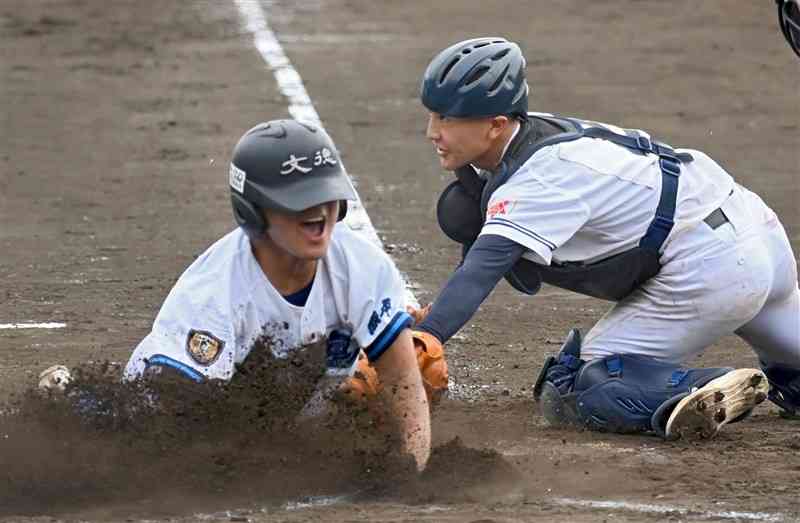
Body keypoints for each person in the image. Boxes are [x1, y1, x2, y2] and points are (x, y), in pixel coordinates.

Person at [410, 37, 799, 439]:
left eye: (447, 119)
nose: (432, 132)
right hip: (752, 229)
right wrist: (437, 312)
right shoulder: (534, 132)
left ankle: (699, 387)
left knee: (581, 388)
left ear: (495, 124)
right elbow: (480, 248)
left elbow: (483, 268)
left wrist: (429, 335)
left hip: (711, 268)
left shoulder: (537, 180)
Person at [41, 120, 449, 471]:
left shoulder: (362, 266)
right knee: (129, 443)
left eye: (326, 195)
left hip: (278, 408)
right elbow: (183, 430)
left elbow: (400, 377)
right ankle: (75, 397)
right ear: (254, 211)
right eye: (298, 201)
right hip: (172, 406)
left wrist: (410, 467)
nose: (319, 213)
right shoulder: (212, 296)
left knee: (402, 371)